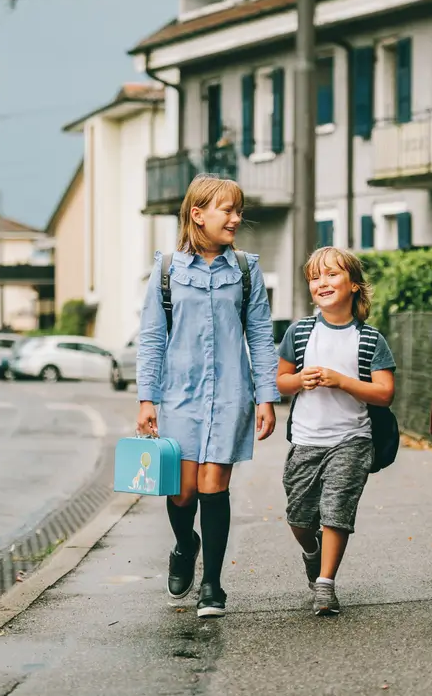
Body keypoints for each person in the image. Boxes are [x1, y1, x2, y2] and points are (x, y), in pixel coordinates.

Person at [136, 174, 279, 619]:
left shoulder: (245, 268)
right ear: (197, 214)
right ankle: (185, 545)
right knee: (182, 493)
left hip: (232, 392)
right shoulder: (166, 270)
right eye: (227, 210)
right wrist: (146, 398)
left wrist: (266, 396)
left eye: (238, 210)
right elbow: (152, 338)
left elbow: (259, 333)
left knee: (213, 486)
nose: (236, 218)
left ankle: (213, 585)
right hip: (179, 396)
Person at [276, 246, 396, 616]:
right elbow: (279, 382)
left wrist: (343, 381)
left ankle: (325, 585)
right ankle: (312, 553)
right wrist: (298, 379)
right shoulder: (299, 333)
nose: (322, 283)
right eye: (315, 277)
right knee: (299, 517)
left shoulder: (370, 339)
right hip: (307, 440)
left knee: (336, 511)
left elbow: (384, 393)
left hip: (353, 439)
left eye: (331, 275)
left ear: (354, 285)